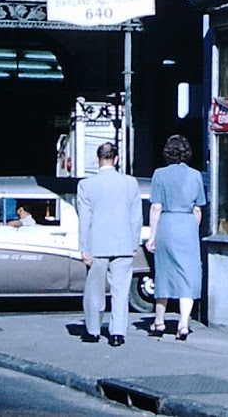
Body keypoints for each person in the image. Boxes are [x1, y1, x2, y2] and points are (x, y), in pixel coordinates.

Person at [77, 142, 141, 346]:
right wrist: (134, 243)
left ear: (97, 160)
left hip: (97, 245)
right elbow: (136, 216)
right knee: (121, 290)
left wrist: (83, 248)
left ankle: (93, 330)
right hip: (123, 243)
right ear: (116, 159)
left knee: (95, 289)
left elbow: (84, 219)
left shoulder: (86, 185)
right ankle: (117, 333)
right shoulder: (131, 183)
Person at [145, 134, 207, 340]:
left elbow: (156, 206)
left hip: (167, 224)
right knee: (188, 274)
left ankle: (159, 321)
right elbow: (198, 209)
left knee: (163, 272)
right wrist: (192, 229)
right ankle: (183, 323)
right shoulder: (196, 175)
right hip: (187, 225)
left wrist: (152, 236)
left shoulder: (159, 175)